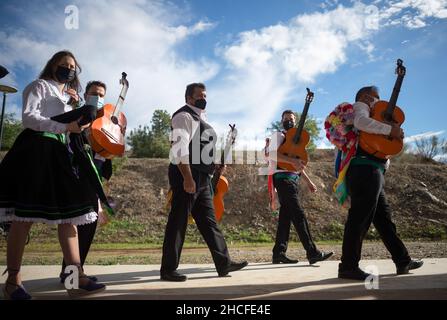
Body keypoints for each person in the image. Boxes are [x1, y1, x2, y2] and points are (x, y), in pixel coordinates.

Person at [0, 50, 106, 299]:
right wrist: (64, 124)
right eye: (64, 65)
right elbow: (29, 118)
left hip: (60, 152)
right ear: (52, 65)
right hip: (36, 149)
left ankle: (75, 278)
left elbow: (72, 128)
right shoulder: (38, 86)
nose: (69, 70)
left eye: (73, 67)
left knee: (70, 216)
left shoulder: (66, 95)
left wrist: (77, 113)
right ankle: (13, 280)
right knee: (23, 217)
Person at [160, 83, 248, 281]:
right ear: (189, 98)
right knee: (178, 221)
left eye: (205, 95)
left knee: (209, 222)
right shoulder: (183, 116)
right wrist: (187, 178)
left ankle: (224, 263)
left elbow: (199, 149)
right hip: (186, 175)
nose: (204, 99)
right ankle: (167, 269)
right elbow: (179, 149)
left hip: (202, 178)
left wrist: (213, 164)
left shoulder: (201, 118)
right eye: (200, 95)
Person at [338, 86, 423, 280]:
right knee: (359, 218)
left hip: (372, 170)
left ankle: (402, 260)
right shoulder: (361, 106)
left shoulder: (375, 117)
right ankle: (348, 266)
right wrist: (390, 129)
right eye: (376, 98)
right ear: (366, 97)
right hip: (365, 169)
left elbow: (381, 147)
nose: (378, 102)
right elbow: (360, 122)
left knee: (384, 220)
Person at [59, 80, 113, 284]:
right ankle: (71, 277)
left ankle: (74, 274)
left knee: (88, 229)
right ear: (85, 96)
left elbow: (108, 157)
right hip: (76, 178)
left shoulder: (106, 123)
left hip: (94, 180)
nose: (97, 98)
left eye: (101, 95)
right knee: (74, 229)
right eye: (93, 94)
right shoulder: (79, 116)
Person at [266, 110, 333, 265]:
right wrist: (291, 161)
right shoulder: (279, 136)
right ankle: (312, 252)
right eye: (286, 119)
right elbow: (271, 154)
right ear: (281, 121)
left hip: (292, 179)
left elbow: (297, 164)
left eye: (291, 119)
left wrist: (308, 182)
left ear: (296, 123)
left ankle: (278, 253)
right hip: (283, 179)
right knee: (298, 214)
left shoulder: (295, 141)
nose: (289, 121)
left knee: (286, 218)